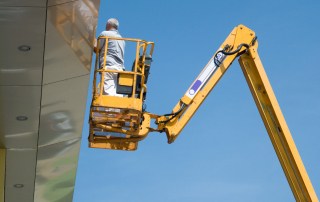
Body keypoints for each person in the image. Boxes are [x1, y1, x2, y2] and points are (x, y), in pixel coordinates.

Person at [94, 18, 125, 96]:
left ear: (108, 25)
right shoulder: (122, 39)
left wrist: (90, 38)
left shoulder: (105, 34)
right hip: (119, 69)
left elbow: (97, 48)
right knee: (118, 94)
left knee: (108, 93)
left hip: (109, 67)